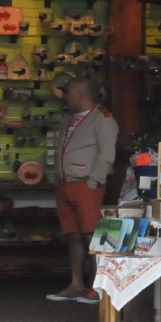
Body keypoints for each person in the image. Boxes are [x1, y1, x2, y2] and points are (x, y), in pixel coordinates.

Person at [49, 76, 118, 304]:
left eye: (67, 92)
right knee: (73, 235)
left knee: (93, 235)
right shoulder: (68, 119)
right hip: (66, 184)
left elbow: (106, 155)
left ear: (80, 94)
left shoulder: (103, 119)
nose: (64, 97)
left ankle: (98, 287)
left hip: (86, 184)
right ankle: (77, 284)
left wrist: (93, 181)